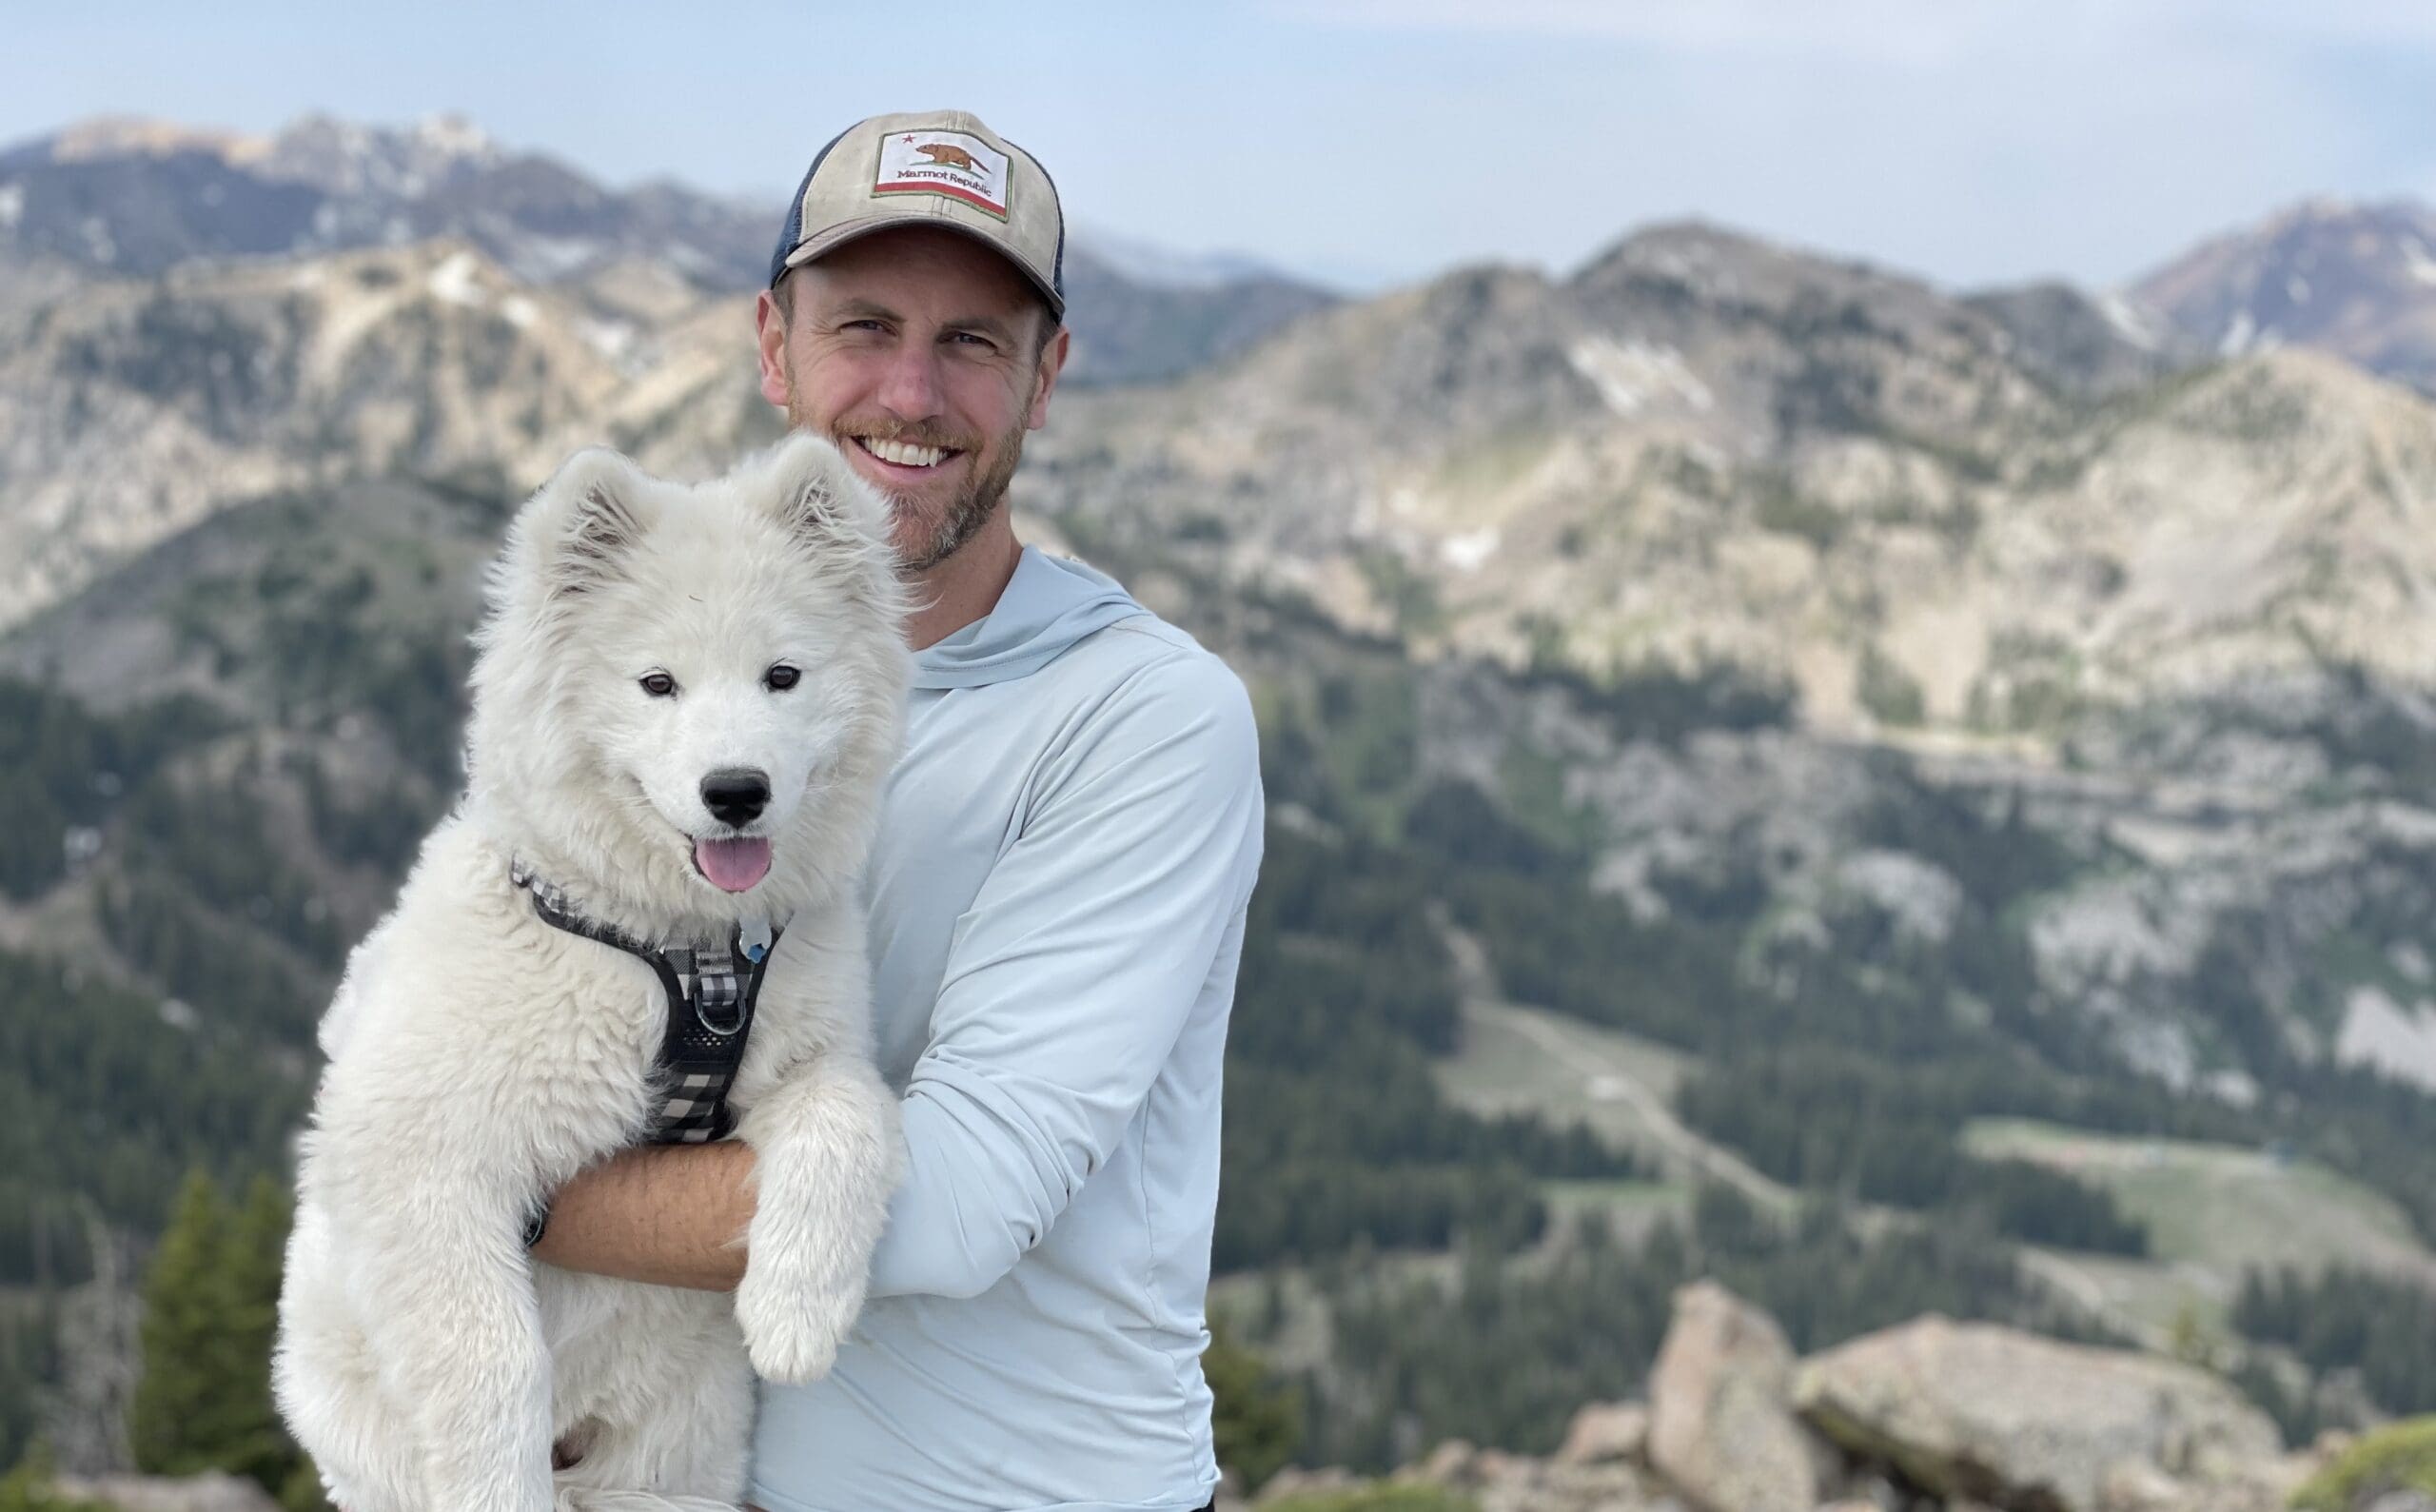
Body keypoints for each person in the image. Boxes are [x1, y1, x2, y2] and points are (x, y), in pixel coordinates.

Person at [528, 109, 1263, 1512]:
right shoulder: (661, 688)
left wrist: (479, 1176)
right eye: (864, 325)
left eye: (975, 341)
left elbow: (948, 1209)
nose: (912, 393)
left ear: (1046, 376)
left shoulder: (1146, 716)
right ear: (772, 345)